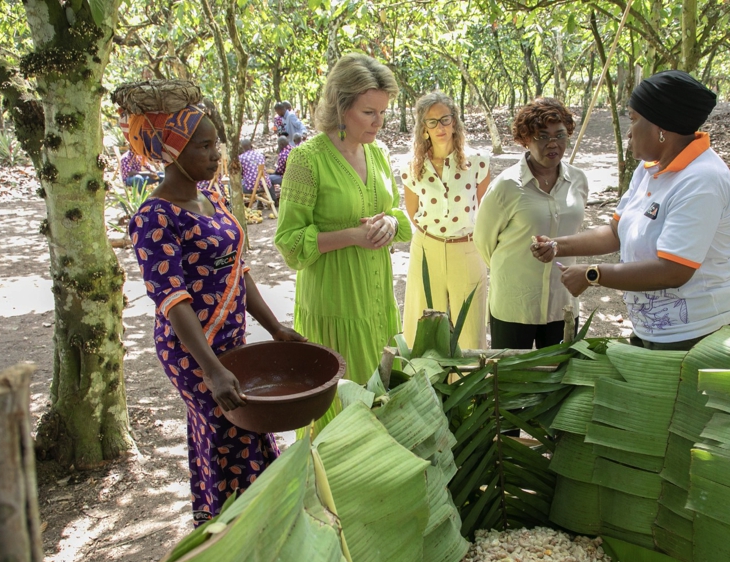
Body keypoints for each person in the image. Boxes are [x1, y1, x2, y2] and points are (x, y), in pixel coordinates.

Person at [122, 99, 305, 526]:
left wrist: (275, 328)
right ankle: (234, 528)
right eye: (202, 146)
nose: (215, 154)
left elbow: (238, 271)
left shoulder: (213, 199)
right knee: (227, 430)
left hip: (230, 341)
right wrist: (211, 369)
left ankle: (256, 522)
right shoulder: (154, 218)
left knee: (245, 427)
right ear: (173, 151)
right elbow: (172, 299)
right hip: (192, 351)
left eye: (215, 144)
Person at [531, 71, 730, 351]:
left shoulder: (701, 180)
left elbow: (673, 271)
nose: (629, 131)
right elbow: (615, 232)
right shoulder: (649, 169)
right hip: (655, 330)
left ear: (661, 128)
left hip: (700, 333)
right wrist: (557, 245)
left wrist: (592, 274)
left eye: (634, 119)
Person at [274, 53, 410, 384]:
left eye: (383, 112)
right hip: (334, 300)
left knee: (383, 392)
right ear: (340, 108)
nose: (379, 122)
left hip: (378, 298)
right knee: (345, 399)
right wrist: (351, 236)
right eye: (369, 112)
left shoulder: (378, 153)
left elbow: (396, 212)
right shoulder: (307, 160)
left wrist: (391, 224)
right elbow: (289, 242)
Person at [474, 98, 588, 349]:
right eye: (542, 136)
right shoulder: (506, 186)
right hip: (516, 304)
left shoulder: (578, 180)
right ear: (525, 139)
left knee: (559, 370)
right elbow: (483, 241)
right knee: (511, 372)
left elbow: (575, 233)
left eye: (560, 135)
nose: (553, 144)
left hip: (562, 302)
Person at [401, 92, 490, 350]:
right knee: (422, 329)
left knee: (470, 333)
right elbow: (413, 213)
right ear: (423, 128)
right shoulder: (412, 167)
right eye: (432, 122)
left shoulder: (477, 163)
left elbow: (481, 209)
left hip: (467, 248)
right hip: (426, 250)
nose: (439, 127)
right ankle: (421, 376)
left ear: (454, 122)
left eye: (445, 119)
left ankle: (469, 378)